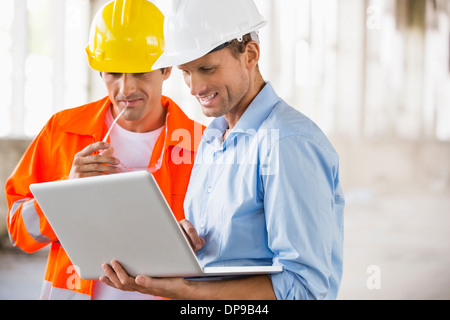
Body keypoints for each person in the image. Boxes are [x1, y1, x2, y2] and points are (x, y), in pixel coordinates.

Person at [101, 0, 345, 300]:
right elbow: (224, 256)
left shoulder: (287, 143)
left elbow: (305, 290)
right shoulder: (212, 138)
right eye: (186, 72)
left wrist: (188, 290)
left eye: (207, 68)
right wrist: (179, 249)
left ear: (250, 55)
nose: (194, 87)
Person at [5, 0, 203, 300]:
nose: (126, 89)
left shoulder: (202, 145)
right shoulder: (62, 131)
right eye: (113, 73)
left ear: (166, 69)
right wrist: (66, 195)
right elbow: (19, 230)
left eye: (139, 72)